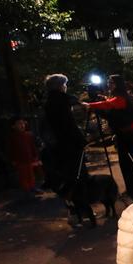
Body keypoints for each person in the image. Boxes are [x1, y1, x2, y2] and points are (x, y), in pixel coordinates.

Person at [84, 74, 133, 199]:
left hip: (128, 134)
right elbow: (110, 104)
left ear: (117, 84)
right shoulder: (122, 96)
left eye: (111, 82)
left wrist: (91, 105)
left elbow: (109, 105)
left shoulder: (121, 98)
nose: (108, 84)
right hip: (126, 133)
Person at [42, 74, 89, 216]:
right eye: (65, 84)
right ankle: (82, 208)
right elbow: (70, 124)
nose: (66, 87)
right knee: (78, 175)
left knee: (69, 174)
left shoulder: (48, 102)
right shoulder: (63, 100)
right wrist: (81, 140)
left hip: (58, 146)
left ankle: (74, 206)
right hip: (70, 144)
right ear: (61, 86)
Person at [6, 116, 41, 193]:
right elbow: (11, 149)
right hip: (20, 160)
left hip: (29, 158)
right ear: (13, 126)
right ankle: (27, 190)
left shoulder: (28, 135)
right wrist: (12, 160)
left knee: (31, 174)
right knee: (23, 176)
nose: (22, 125)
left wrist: (35, 156)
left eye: (23, 123)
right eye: (19, 123)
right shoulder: (12, 137)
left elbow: (32, 146)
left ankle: (32, 187)